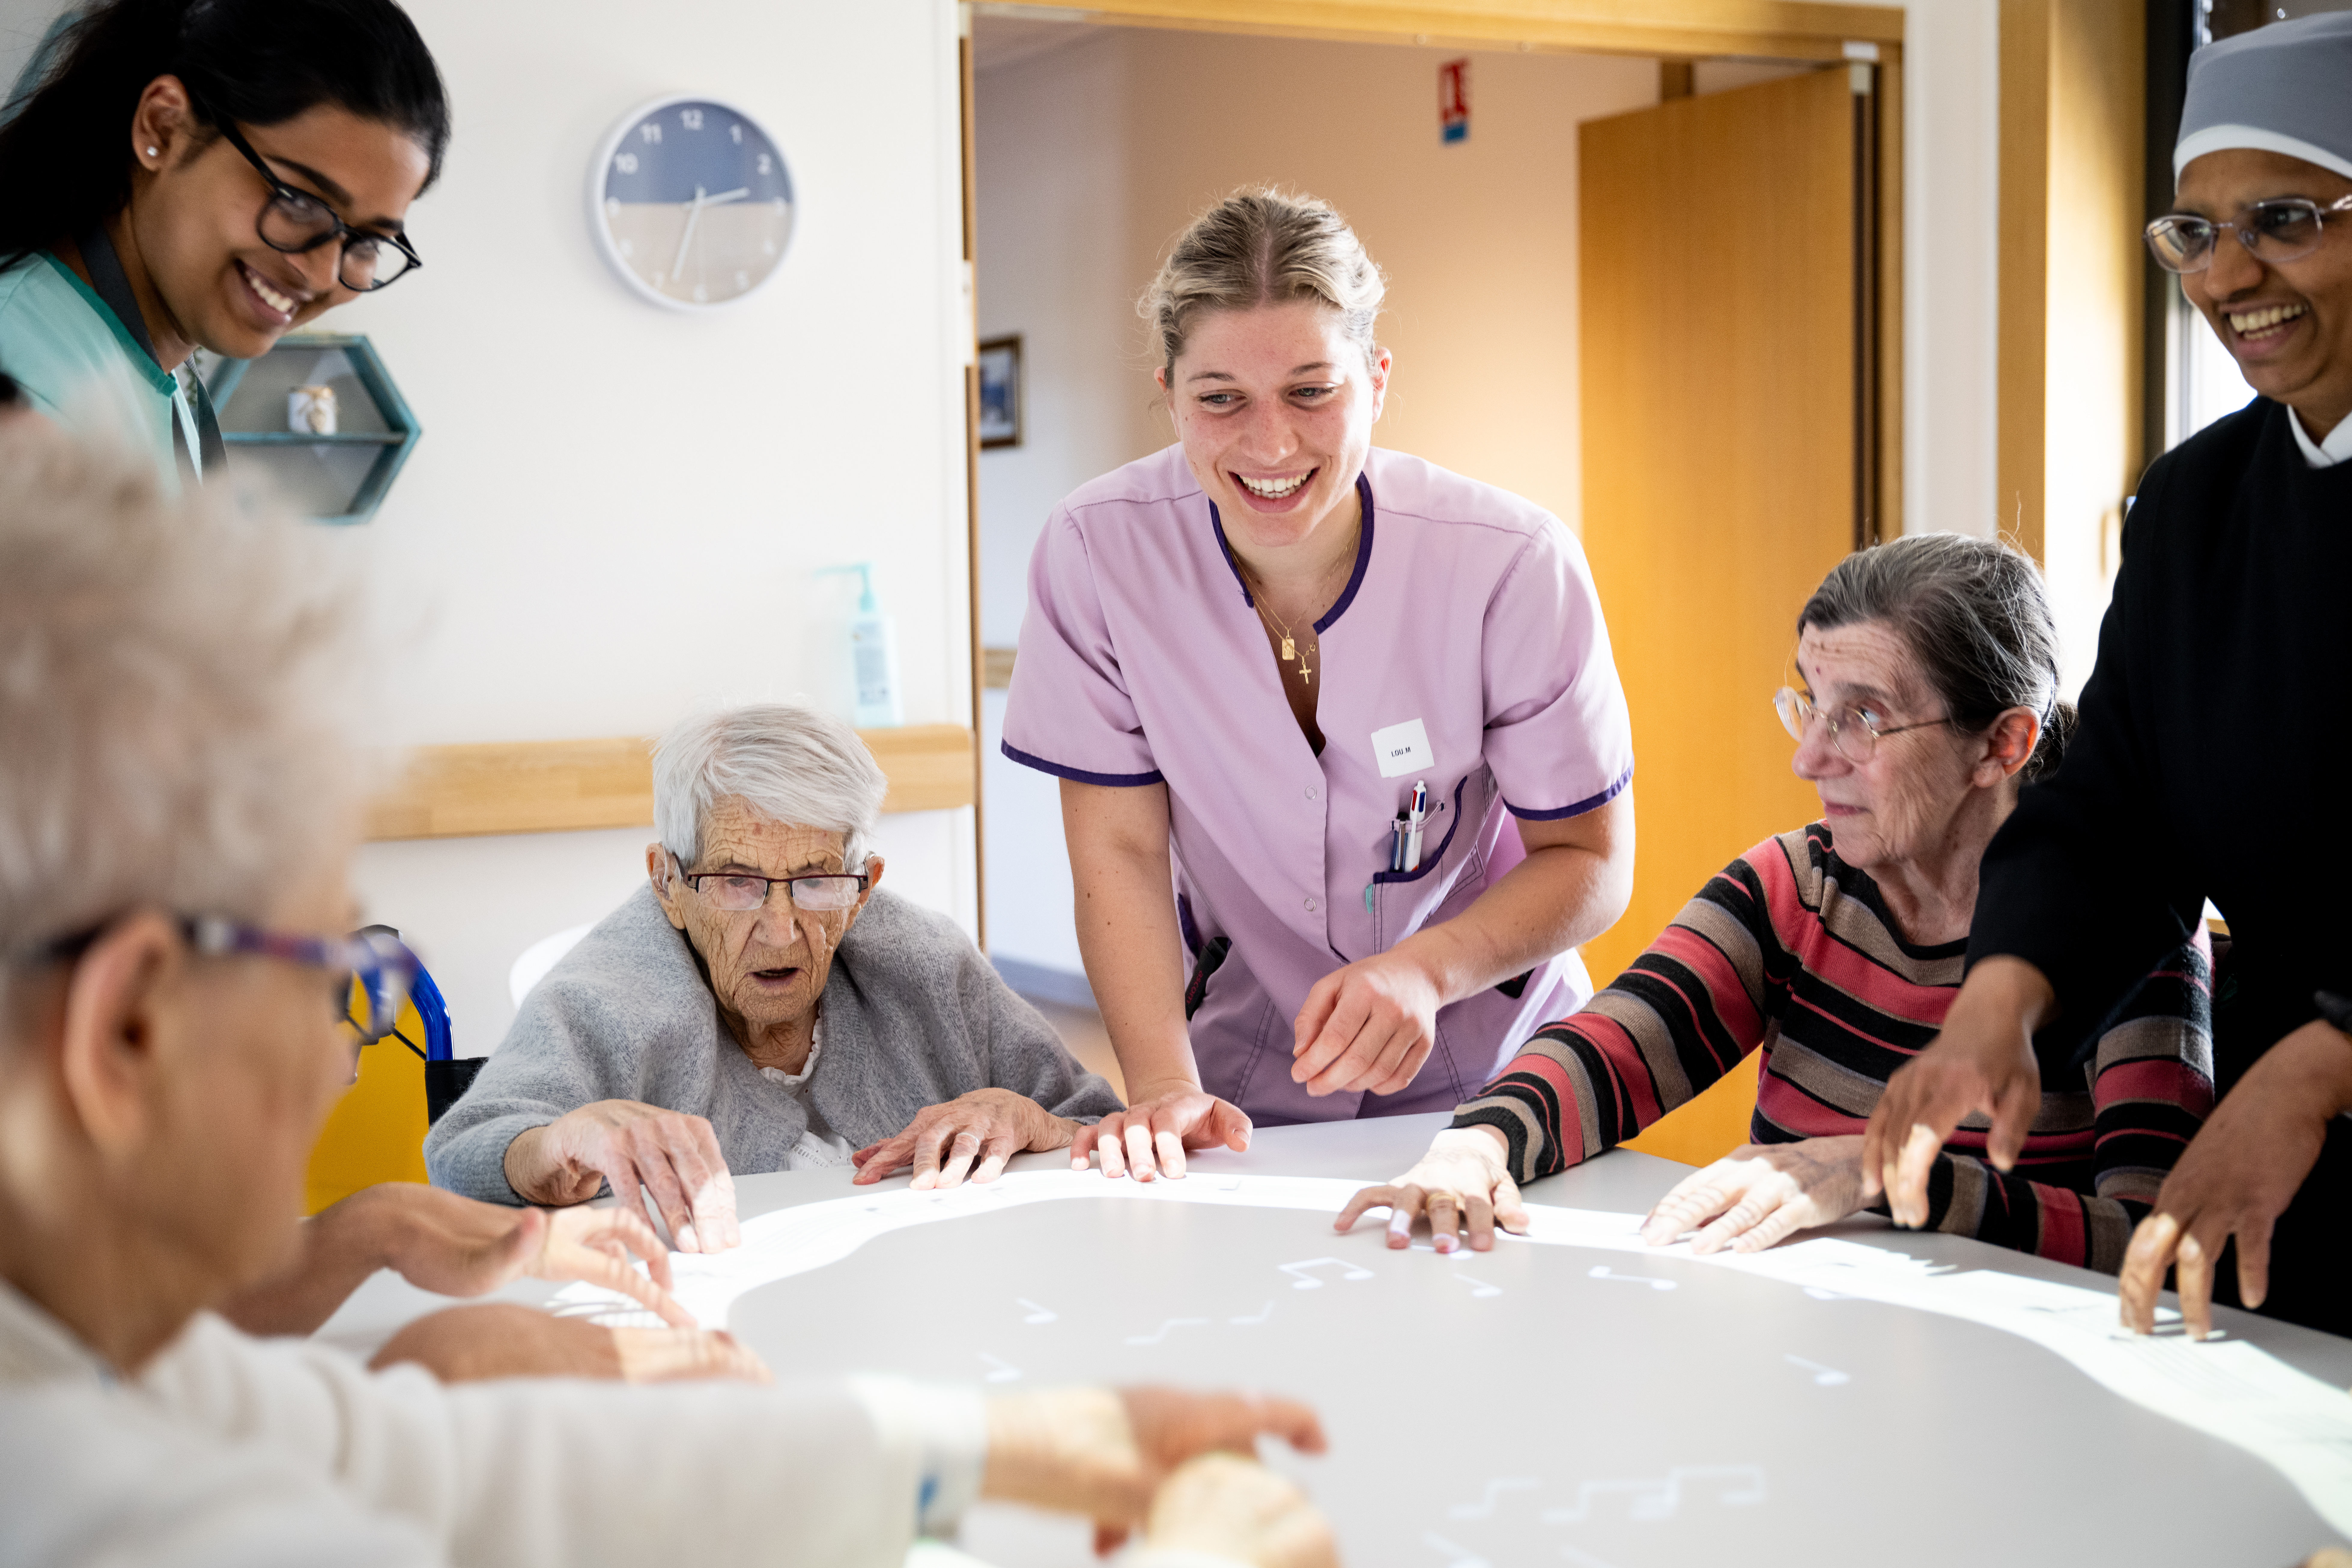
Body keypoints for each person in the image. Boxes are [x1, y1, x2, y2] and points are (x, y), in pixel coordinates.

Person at [0, 420, 1337, 1568]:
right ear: (128, 1027)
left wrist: (1010, 1441)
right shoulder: (129, 1515)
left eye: (817, 885)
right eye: (346, 979)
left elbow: (434, 1460)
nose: (349, 1060)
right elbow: (440, 1416)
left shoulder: (118, 1368)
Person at [1863, 12, 2352, 1342]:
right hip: (2292, 1162)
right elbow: (2118, 802)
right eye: (2193, 232)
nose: (2227, 271)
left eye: (2286, 218)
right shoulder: (2194, 508)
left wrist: (2324, 1061)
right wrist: (1997, 1001)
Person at [1335, 535, 2215, 1270]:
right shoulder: (1801, 885)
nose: (1811, 758)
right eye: (1811, 705)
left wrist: (1886, 1175)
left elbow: (2162, 1243)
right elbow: (1612, 1052)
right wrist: (1475, 1145)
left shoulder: (2130, 934)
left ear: (2002, 743)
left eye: (1864, 718)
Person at [1001, 188, 1635, 1181]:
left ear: (1378, 380)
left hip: (1502, 1076)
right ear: (1168, 393)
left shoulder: (1511, 563)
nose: (1270, 444)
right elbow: (1119, 849)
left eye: (1311, 390)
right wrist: (1164, 1087)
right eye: (1221, 398)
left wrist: (1431, 969)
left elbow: (1591, 857)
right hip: (1245, 1078)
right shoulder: (1097, 551)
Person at [424, 701, 1124, 1249]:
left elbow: (1096, 1121)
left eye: (818, 881)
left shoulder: (928, 967)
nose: (783, 927)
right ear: (667, 883)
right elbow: (461, 1156)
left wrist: (1030, 1120)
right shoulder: (604, 999)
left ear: (865, 886)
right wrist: (559, 1140)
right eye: (737, 882)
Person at [0, 0, 444, 486]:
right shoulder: (24, 400)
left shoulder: (155, 374)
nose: (320, 274)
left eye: (368, 242)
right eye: (298, 200)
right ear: (164, 127)